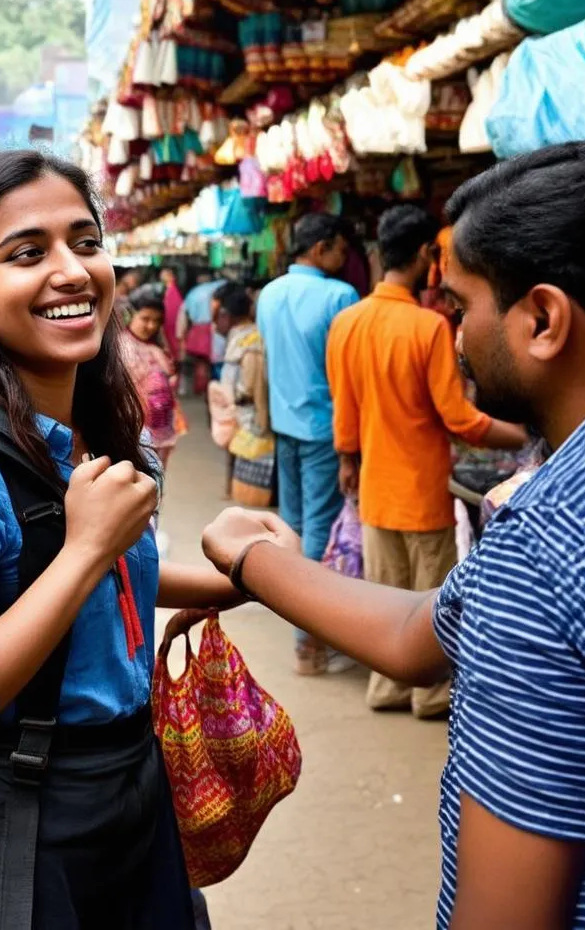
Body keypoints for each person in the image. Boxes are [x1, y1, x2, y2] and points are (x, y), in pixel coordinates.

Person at [202, 143, 585, 930]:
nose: (451, 329)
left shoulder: (541, 552)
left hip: (371, 469)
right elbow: (430, 628)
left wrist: (259, 549)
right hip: (409, 476)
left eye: (459, 304)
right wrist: (254, 561)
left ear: (544, 319)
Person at [0, 150, 242, 930]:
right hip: (27, 820)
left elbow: (110, 571)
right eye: (27, 253)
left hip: (131, 789)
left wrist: (240, 574)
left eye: (85, 240)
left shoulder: (94, 429)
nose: (73, 271)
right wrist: (82, 551)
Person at [326, 204, 526, 717]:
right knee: (430, 597)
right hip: (421, 487)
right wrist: (521, 435)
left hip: (374, 483)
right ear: (423, 255)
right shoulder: (429, 327)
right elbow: (460, 419)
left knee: (383, 593)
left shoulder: (347, 323)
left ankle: (387, 688)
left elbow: (343, 409)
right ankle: (431, 694)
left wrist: (348, 458)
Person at [256, 212, 359, 674]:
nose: (344, 259)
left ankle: (300, 627)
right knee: (318, 527)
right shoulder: (340, 295)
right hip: (323, 427)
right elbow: (347, 373)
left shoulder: (270, 293)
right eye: (340, 250)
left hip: (286, 422)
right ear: (321, 248)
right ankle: (309, 639)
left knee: (294, 525)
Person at [215, 284, 274, 507]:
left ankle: (241, 489)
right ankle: (231, 487)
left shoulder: (250, 341)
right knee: (235, 446)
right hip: (238, 404)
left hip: (246, 405)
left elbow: (253, 382)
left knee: (244, 447)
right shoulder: (245, 336)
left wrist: (246, 401)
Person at [121, 285, 185, 469]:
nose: (151, 326)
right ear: (130, 315)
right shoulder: (121, 348)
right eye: (145, 319)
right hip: (134, 429)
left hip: (161, 428)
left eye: (157, 321)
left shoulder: (156, 348)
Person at [178, 272, 225, 392]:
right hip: (214, 329)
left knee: (200, 362)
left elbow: (183, 315)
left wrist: (181, 336)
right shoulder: (219, 287)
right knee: (216, 361)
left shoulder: (192, 294)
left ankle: (202, 387)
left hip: (197, 331)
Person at [160, 266, 184, 361]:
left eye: (165, 275)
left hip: (172, 326)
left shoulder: (172, 292)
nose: (162, 277)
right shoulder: (171, 291)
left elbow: (172, 313)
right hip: (171, 326)